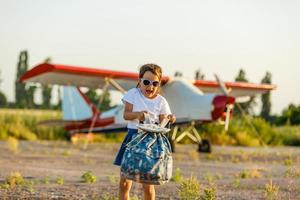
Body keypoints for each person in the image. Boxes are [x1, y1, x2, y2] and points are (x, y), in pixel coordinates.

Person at [114, 63, 176, 200]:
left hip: (151, 143)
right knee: (125, 181)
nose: (150, 87)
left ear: (159, 84)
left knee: (147, 184)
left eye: (155, 83)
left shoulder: (161, 101)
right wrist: (138, 115)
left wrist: (169, 118)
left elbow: (162, 121)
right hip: (133, 138)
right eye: (146, 82)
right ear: (139, 81)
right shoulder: (133, 94)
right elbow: (126, 115)